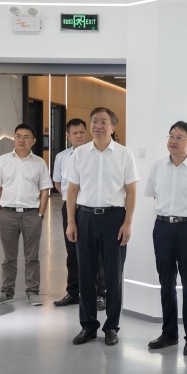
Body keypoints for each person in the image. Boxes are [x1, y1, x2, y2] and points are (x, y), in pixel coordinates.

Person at [65, 107, 139, 346]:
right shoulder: (79, 154)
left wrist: (128, 223)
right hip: (85, 216)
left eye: (104, 122)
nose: (98, 125)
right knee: (85, 273)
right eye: (94, 121)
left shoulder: (124, 154)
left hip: (113, 218)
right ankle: (88, 326)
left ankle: (111, 327)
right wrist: (71, 221)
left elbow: (131, 191)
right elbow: (72, 190)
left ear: (113, 127)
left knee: (113, 275)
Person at [145, 121, 187, 356]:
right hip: (163, 228)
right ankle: (169, 333)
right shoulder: (157, 167)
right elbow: (153, 194)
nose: (173, 141)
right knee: (166, 282)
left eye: (179, 137)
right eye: (171, 136)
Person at [0, 124, 53, 306]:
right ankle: (7, 292)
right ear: (14, 138)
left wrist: (40, 214)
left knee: (32, 257)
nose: (21, 140)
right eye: (18, 136)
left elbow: (45, 190)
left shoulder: (39, 163)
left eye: (26, 137)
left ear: (33, 141)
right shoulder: (3, 160)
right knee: (9, 257)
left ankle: (32, 292)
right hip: (7, 214)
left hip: (31, 215)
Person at [52, 118, 107, 310]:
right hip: (70, 207)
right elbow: (58, 183)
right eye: (75, 133)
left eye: (82, 132)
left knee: (97, 252)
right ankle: (73, 292)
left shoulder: (95, 153)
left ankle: (100, 293)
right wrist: (71, 199)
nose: (79, 136)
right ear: (68, 136)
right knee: (72, 251)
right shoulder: (61, 157)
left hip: (90, 207)